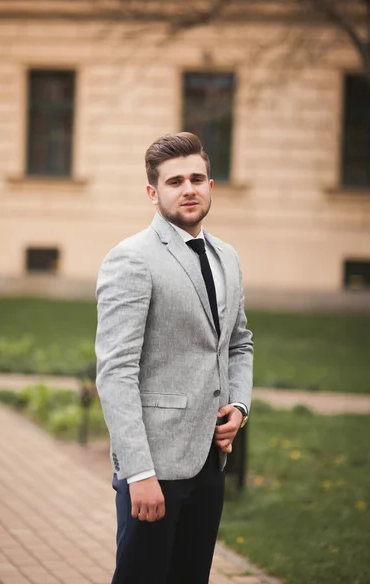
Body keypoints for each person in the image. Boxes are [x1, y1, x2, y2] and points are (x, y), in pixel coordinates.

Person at [95, 132, 253, 584]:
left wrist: (239, 407)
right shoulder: (131, 259)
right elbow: (116, 372)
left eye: (197, 178)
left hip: (209, 461)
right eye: (175, 181)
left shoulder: (227, 257)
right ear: (153, 192)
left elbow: (239, 342)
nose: (189, 189)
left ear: (210, 186)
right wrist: (139, 473)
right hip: (154, 467)